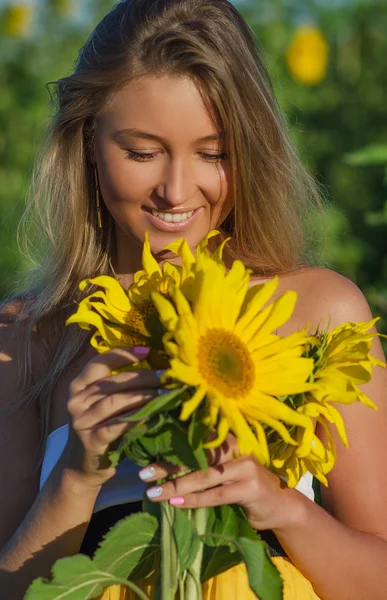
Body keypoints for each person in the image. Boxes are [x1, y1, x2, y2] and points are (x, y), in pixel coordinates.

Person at [0, 1, 386, 599]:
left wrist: (278, 505)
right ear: (87, 144)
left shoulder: (320, 311)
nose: (177, 191)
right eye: (142, 152)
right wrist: (77, 477)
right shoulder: (26, 340)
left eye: (214, 153)